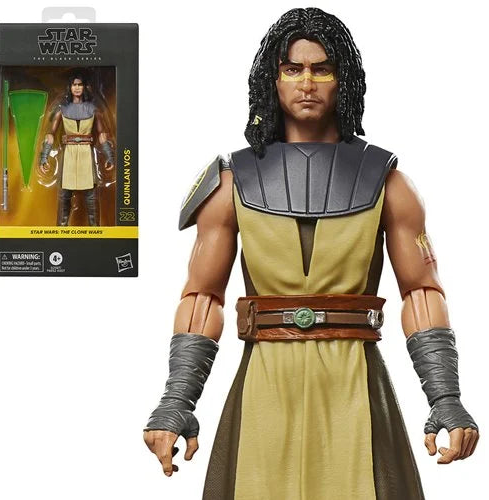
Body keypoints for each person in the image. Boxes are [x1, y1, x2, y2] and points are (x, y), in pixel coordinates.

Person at [144, 8, 478, 499]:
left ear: (343, 79)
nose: (307, 83)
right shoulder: (231, 184)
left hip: (354, 381)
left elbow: (422, 293)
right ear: (273, 80)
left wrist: (445, 396)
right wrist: (177, 400)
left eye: (322, 69)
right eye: (292, 69)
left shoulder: (389, 183)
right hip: (264, 380)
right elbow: (202, 298)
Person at [39, 72, 114, 226]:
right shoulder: (62, 110)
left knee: (91, 194)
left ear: (84, 87)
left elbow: (102, 134)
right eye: (74, 84)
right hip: (69, 154)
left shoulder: (93, 110)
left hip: (86, 153)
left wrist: (109, 155)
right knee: (64, 193)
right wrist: (44, 156)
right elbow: (50, 134)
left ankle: (95, 231)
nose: (77, 87)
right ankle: (61, 230)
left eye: (80, 84)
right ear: (70, 87)